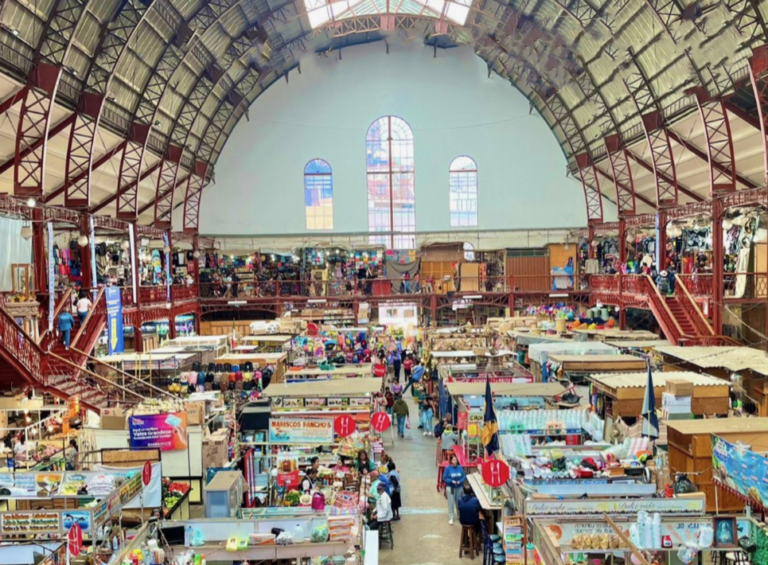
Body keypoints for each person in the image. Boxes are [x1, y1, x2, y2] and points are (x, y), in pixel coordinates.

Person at [443, 455, 466, 525]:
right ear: (450, 461)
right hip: (451, 488)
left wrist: (460, 481)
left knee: (459, 502)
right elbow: (445, 478)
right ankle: (451, 517)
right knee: (451, 502)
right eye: (453, 460)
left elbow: (463, 476)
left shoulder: (460, 468)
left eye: (456, 460)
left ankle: (460, 516)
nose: (455, 461)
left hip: (459, 488)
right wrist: (451, 481)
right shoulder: (447, 469)